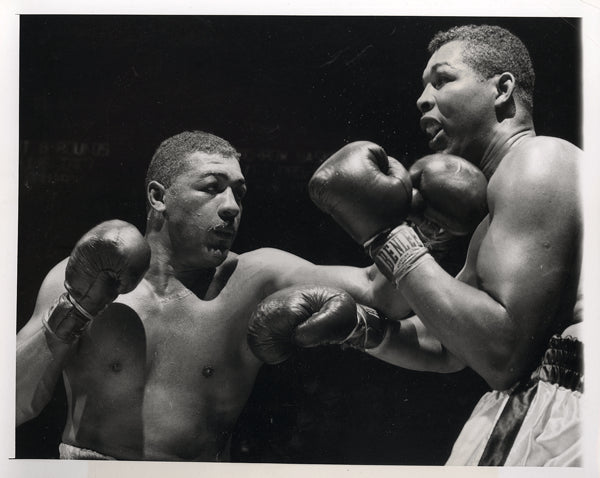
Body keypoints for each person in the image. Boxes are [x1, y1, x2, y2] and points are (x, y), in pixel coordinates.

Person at [16, 130, 487, 461]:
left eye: (239, 193)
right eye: (212, 188)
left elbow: (380, 295)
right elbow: (13, 405)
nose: (231, 208)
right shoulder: (81, 275)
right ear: (158, 197)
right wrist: (73, 309)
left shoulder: (257, 276)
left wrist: (425, 227)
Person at [297, 24, 582, 466]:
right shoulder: (500, 205)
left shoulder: (539, 159)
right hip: (545, 413)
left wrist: (388, 237)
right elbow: (449, 344)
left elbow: (502, 354)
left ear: (502, 89)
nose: (422, 98)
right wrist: (362, 330)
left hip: (564, 418)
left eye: (443, 79)